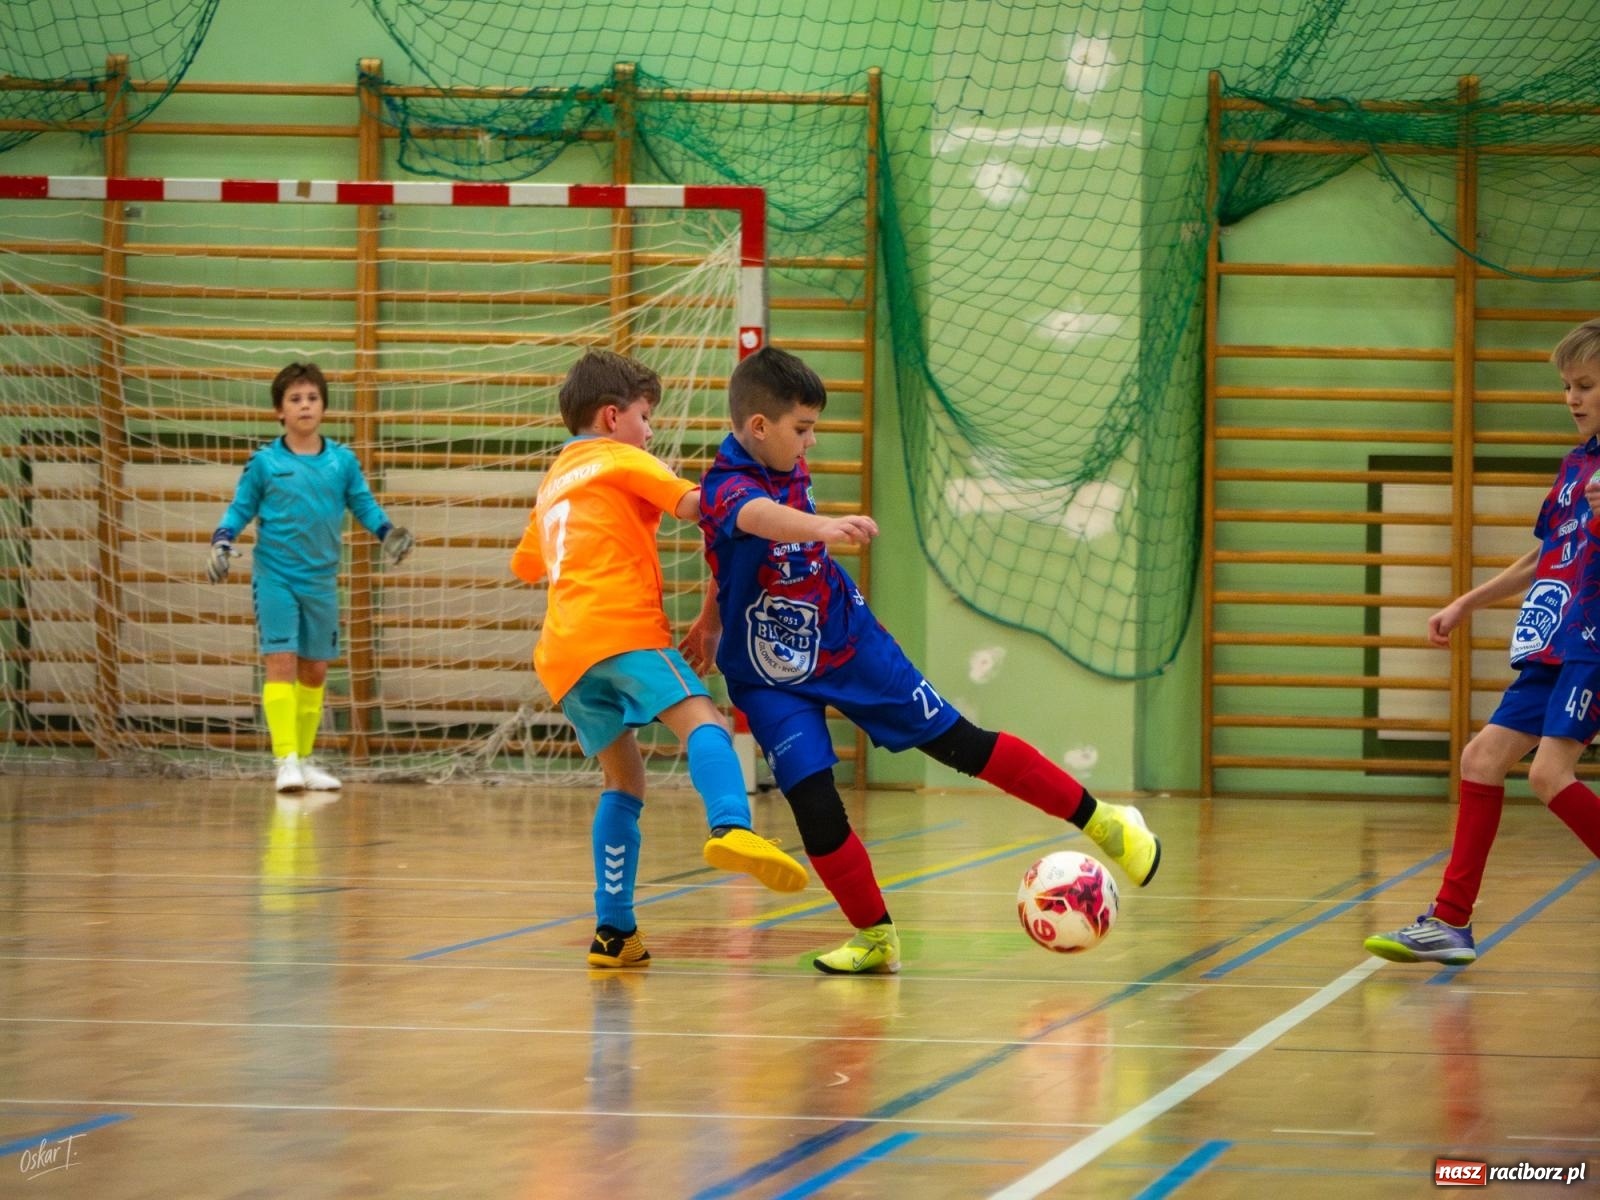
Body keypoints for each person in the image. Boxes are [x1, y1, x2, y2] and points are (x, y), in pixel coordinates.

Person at [680, 345, 1162, 975]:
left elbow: (726, 554)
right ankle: (875, 937)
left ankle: (1105, 823)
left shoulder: (783, 458)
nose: (812, 443)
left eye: (816, 429)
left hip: (850, 645)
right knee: (815, 806)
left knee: (962, 744)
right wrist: (819, 529)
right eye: (803, 430)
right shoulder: (727, 484)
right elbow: (753, 520)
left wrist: (710, 618)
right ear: (759, 427)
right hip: (771, 676)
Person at [510, 348, 809, 970]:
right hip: (621, 628)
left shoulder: (553, 482)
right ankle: (731, 825)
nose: (651, 430)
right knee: (706, 722)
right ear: (613, 416)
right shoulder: (623, 458)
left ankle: (614, 931)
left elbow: (526, 564)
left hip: (563, 651)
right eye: (646, 417)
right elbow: (704, 506)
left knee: (625, 781)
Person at [1365, 318, 1600, 965]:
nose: (1573, 398)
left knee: (1551, 776)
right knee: (1481, 760)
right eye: (1566, 386)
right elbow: (1546, 554)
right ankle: (1449, 922)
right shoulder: (1578, 465)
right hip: (1556, 639)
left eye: (1585, 385)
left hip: (1594, 643)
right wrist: (1468, 600)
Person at [207, 362, 413, 794]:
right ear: (279, 412)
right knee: (280, 661)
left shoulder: (343, 461)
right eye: (295, 399)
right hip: (276, 576)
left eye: (312, 398)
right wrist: (222, 540)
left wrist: (387, 534)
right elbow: (239, 508)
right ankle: (285, 761)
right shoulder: (265, 463)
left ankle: (303, 758)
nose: (305, 406)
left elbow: (364, 505)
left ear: (323, 406)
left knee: (315, 671)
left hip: (321, 580)